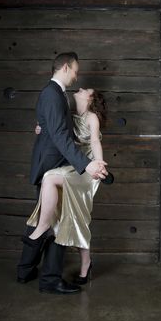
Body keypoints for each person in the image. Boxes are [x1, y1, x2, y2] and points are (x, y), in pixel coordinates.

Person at [17, 52, 107, 295]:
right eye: (76, 70)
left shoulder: (57, 95)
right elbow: (59, 136)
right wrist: (86, 164)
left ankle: (26, 270)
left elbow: (56, 128)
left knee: (48, 220)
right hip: (55, 166)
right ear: (66, 67)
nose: (77, 75)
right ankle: (49, 279)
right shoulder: (53, 93)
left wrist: (42, 127)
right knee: (54, 223)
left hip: (61, 167)